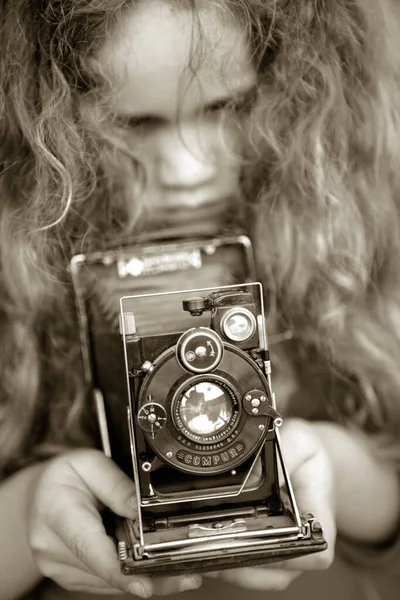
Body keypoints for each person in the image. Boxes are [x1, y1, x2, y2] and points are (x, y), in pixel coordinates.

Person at [0, 0, 400, 599]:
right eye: (133, 123)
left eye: (225, 108)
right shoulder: (18, 278)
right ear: (48, 129)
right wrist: (30, 506)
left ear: (287, 89)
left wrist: (330, 464)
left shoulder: (343, 240)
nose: (187, 169)